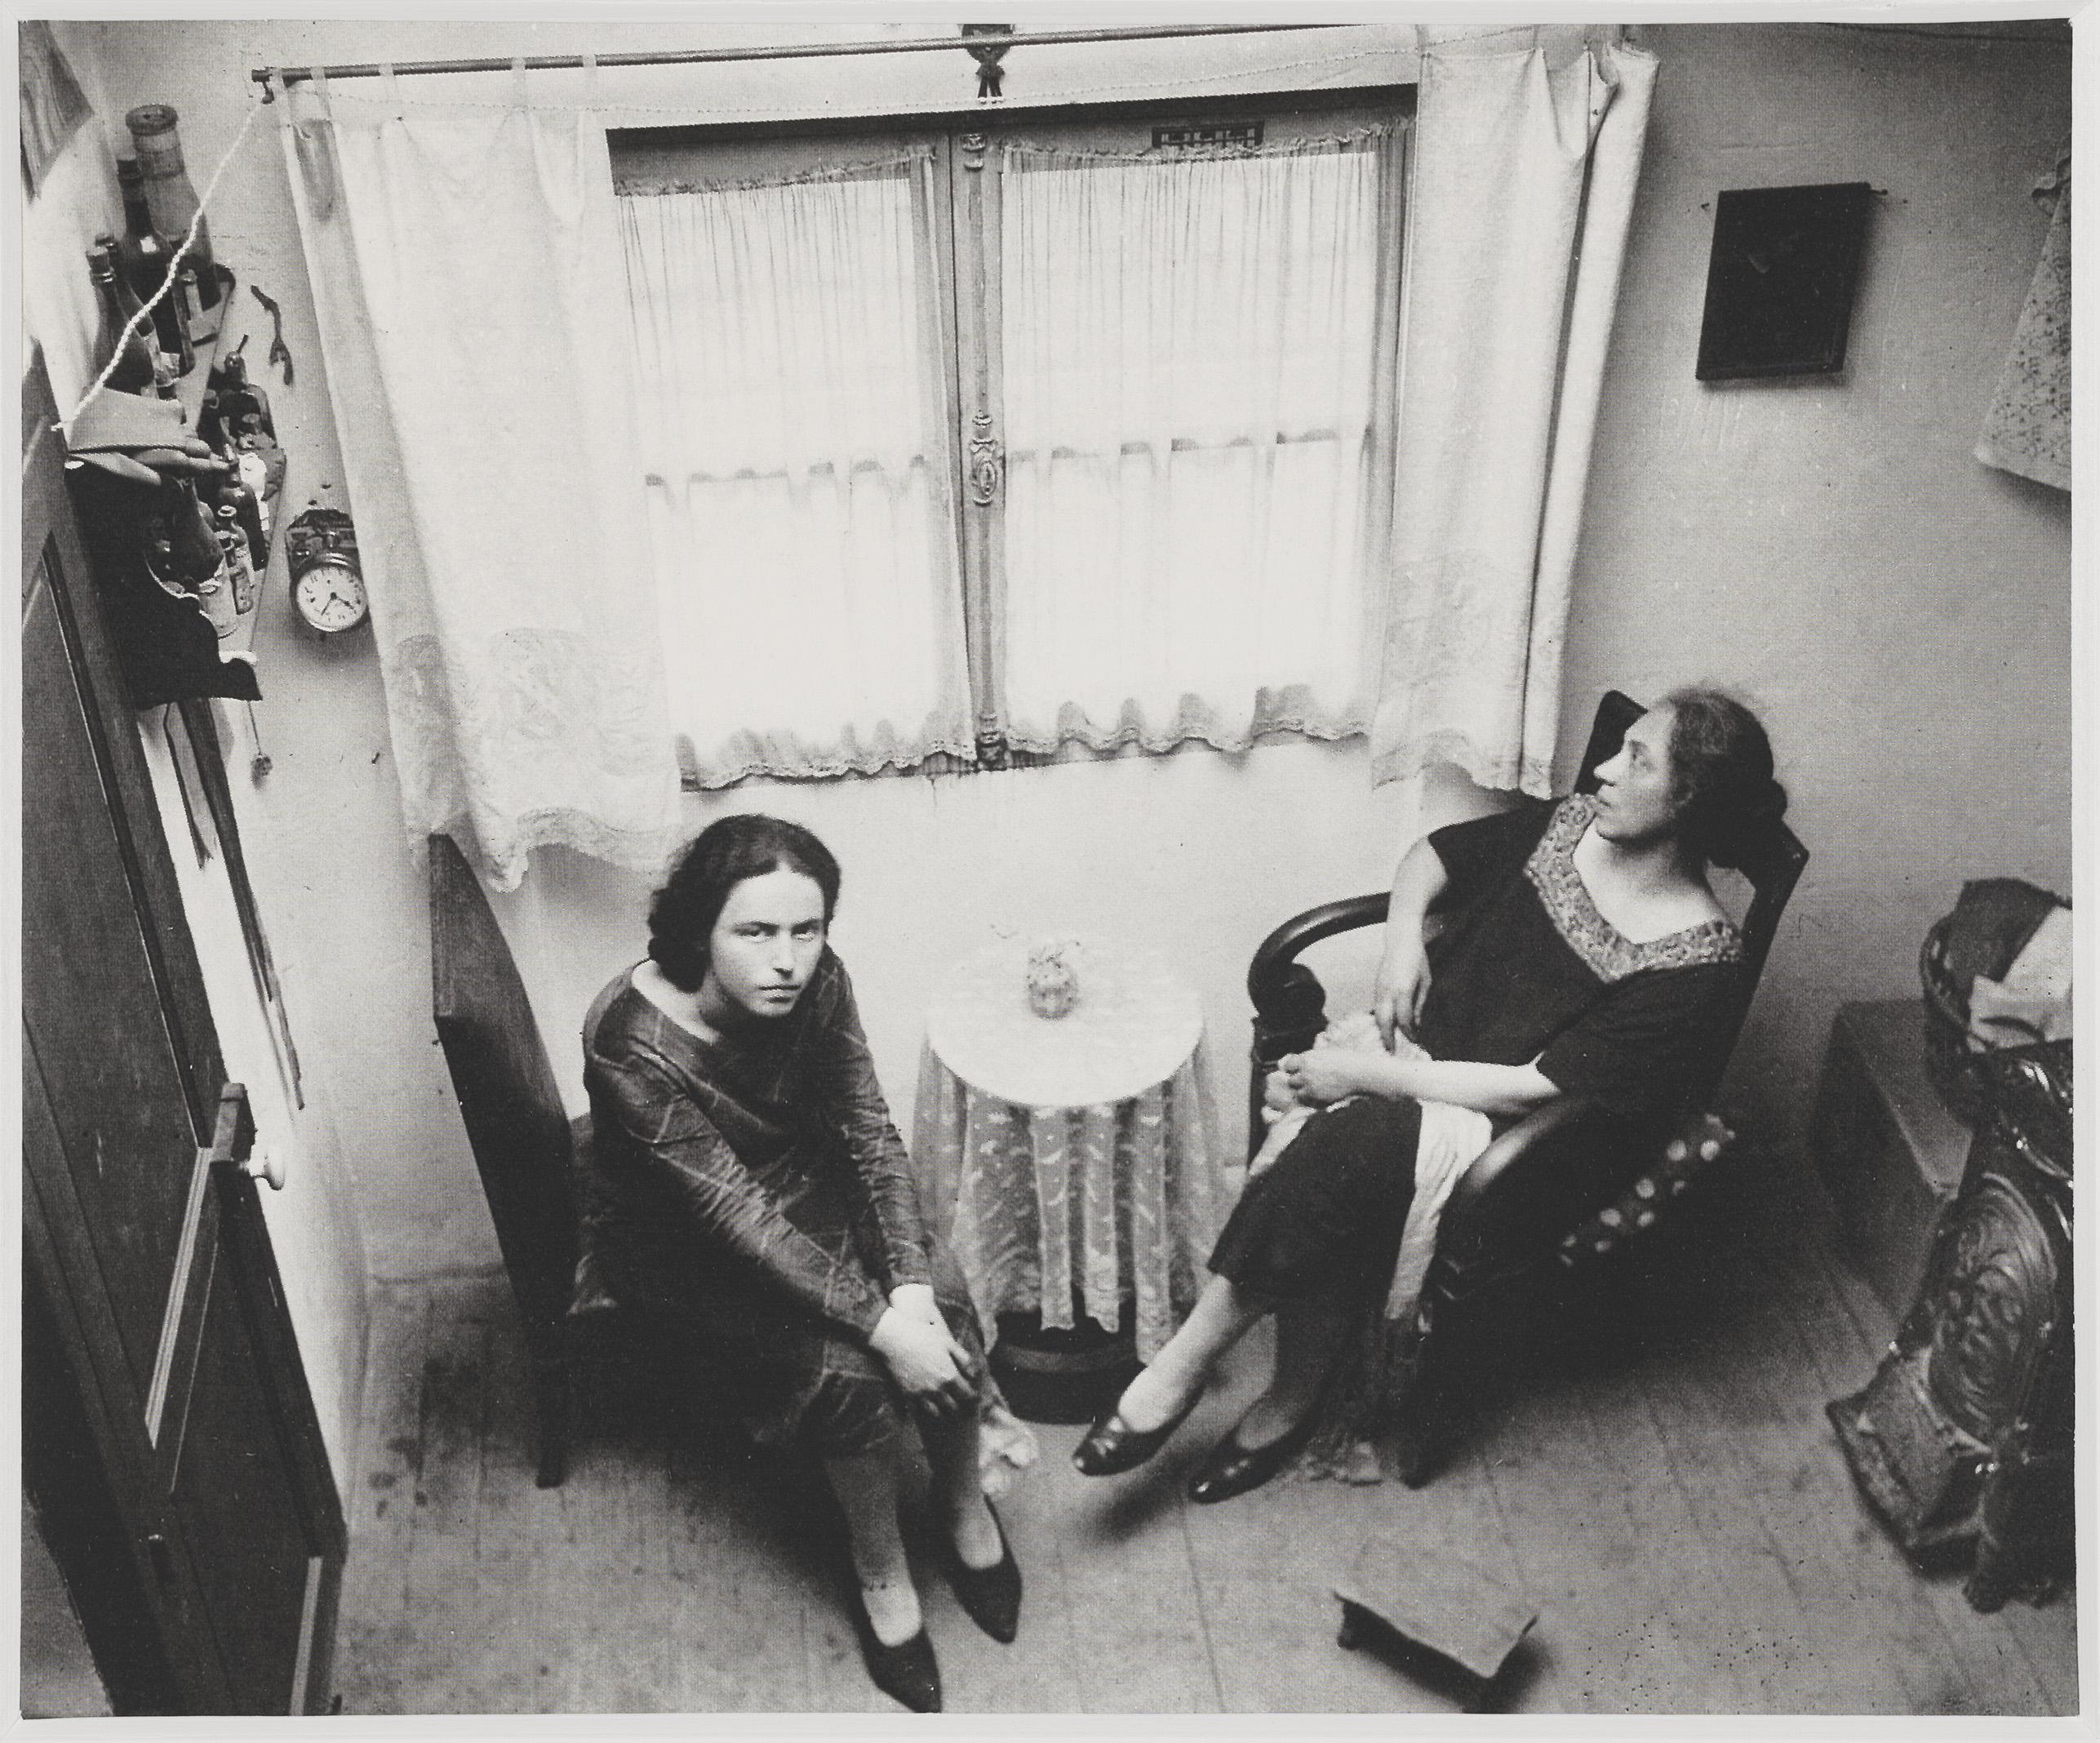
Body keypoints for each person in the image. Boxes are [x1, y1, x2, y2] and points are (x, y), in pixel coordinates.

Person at [1073, 687, 1787, 1501]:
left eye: (1636, 759)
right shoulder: (1571, 827)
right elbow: (1433, 856)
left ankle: (1191, 1368)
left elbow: (1531, 1091)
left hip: (1519, 1146)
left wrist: (1364, 1075)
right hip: (1423, 1062)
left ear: (1686, 797)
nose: (1601, 769)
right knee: (1344, 1152)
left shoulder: (1696, 961)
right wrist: (1401, 945)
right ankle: (1286, 1393)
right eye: (1616, 746)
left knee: (1342, 1140)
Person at [581, 815, 1019, 1712]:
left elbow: (864, 1125)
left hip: (805, 1183)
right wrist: (880, 1327)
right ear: (699, 929)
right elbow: (727, 1214)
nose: (787, 958)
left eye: (806, 929)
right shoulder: (627, 1040)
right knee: (851, 1371)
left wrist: (905, 1289)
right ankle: (879, 1568)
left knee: (945, 1300)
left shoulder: (816, 984)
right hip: (685, 1247)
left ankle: (964, 1506)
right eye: (755, 931)